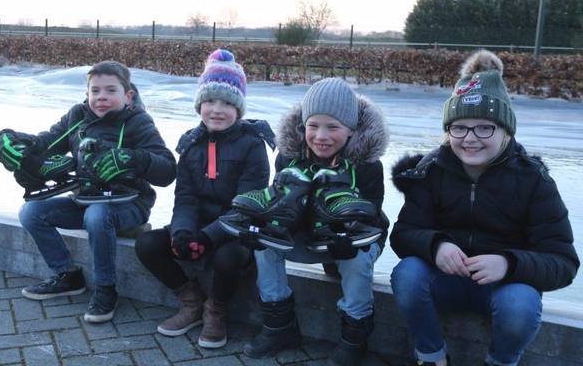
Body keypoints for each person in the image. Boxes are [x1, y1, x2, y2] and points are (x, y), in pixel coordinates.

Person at [390, 50, 579, 366]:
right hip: (445, 280)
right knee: (407, 274)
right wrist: (436, 245)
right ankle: (432, 356)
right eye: (459, 128)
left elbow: (562, 262)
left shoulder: (534, 180)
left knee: (521, 304)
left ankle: (500, 361)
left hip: (504, 288)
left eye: (484, 128)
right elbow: (404, 234)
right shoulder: (431, 171)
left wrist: (508, 263)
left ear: (506, 130)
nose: (470, 139)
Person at [0, 61, 176, 324]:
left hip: (131, 203)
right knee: (31, 212)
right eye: (95, 91)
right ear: (88, 93)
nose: (101, 97)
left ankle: (106, 289)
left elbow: (168, 170)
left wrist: (134, 159)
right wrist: (11, 138)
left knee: (97, 215)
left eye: (111, 90)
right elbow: (46, 143)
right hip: (85, 198)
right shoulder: (77, 116)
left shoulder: (138, 122)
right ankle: (68, 275)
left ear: (128, 96)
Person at [242, 78, 389, 365]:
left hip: (353, 238)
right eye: (313, 125)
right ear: (302, 126)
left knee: (357, 257)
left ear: (351, 130)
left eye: (333, 127)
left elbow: (372, 214)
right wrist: (261, 226)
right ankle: (279, 326)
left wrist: (349, 233)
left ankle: (354, 338)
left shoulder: (368, 165)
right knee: (264, 242)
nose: (321, 136)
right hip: (305, 234)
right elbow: (279, 206)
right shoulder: (288, 157)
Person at [135, 49, 275, 348]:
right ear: (200, 104)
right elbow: (185, 197)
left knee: (228, 257)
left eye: (227, 102)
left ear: (239, 108)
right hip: (198, 225)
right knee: (147, 244)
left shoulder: (253, 145)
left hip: (238, 230)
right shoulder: (191, 144)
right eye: (210, 101)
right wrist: (184, 232)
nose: (217, 109)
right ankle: (192, 301)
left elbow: (248, 204)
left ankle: (216, 310)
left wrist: (208, 238)